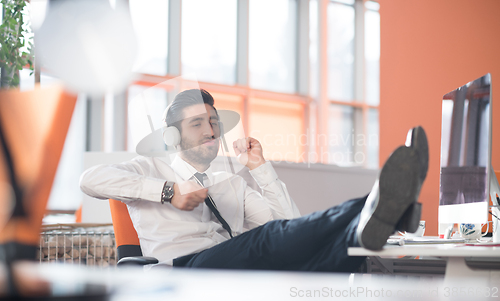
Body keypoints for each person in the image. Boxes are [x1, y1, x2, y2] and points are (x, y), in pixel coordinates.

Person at [80, 89, 428, 272]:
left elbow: (289, 227)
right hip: (181, 271)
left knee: (325, 264)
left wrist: (260, 168)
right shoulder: (150, 169)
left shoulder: (228, 183)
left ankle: (379, 218)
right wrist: (169, 192)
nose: (211, 130)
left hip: (230, 264)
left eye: (214, 122)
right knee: (262, 240)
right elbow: (90, 179)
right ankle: (380, 203)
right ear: (172, 137)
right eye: (197, 123)